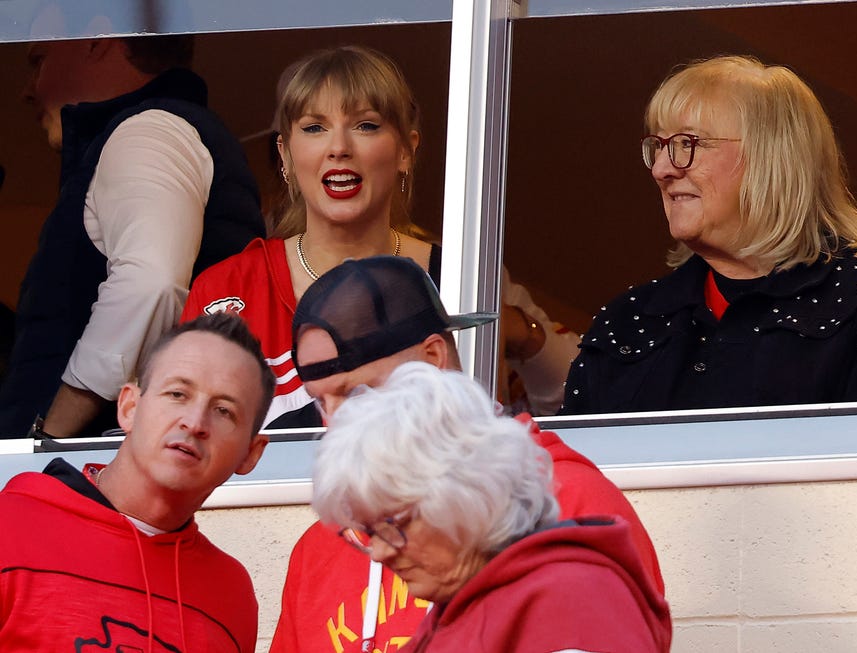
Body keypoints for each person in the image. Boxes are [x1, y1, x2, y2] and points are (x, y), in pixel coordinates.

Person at [270, 255, 665, 653]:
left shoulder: (571, 499)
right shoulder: (319, 548)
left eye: (354, 393)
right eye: (321, 402)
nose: (335, 423)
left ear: (432, 361)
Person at [182, 45, 578, 429]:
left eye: (366, 125)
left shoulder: (461, 276)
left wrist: (518, 334)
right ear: (284, 155)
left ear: (406, 150)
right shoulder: (227, 288)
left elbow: (583, 402)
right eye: (315, 128)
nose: (339, 148)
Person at [561, 55, 857, 415]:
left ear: (772, 158)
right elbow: (570, 479)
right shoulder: (629, 318)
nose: (662, 169)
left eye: (687, 144)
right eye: (659, 146)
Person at [0, 34, 266, 439]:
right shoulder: (158, 129)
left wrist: (48, 436)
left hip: (89, 476)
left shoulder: (147, 131)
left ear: (94, 40)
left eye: (38, 59)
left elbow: (150, 284)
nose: (26, 90)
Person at [311, 361, 671, 652]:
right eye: (367, 532)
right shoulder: (466, 602)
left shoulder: (569, 601)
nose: (378, 552)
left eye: (390, 525)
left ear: (466, 497)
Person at [0, 313, 275, 651]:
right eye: (177, 394)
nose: (194, 422)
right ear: (129, 407)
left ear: (251, 453)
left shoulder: (231, 594)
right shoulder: (10, 527)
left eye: (223, 411)